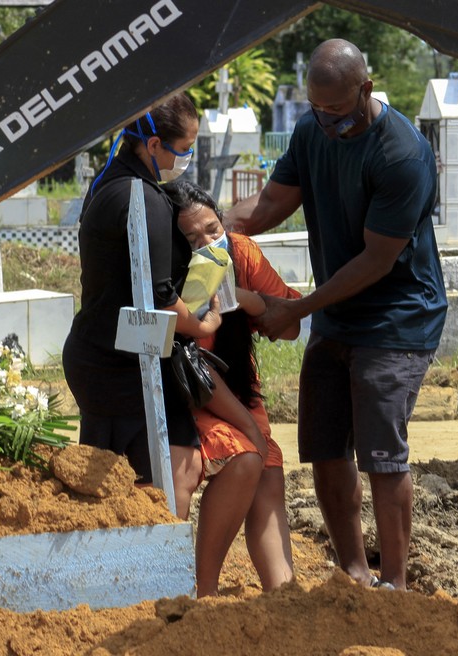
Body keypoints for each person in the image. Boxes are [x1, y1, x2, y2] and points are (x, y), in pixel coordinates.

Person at [226, 39, 448, 591]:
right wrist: (211, 228)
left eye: (338, 113)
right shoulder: (311, 130)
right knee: (323, 446)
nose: (327, 124)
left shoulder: (402, 153)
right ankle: (353, 571)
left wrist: (295, 308)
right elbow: (272, 203)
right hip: (336, 315)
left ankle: (394, 583)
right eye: (317, 111)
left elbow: (376, 261)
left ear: (365, 91)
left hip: (396, 316)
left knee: (380, 454)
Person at [62, 93, 265, 520]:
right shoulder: (144, 200)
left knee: (146, 476)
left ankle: (132, 572)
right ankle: (153, 574)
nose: (188, 158)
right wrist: (203, 321)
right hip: (122, 364)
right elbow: (162, 299)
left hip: (104, 353)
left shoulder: (110, 184)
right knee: (174, 473)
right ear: (153, 145)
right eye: (184, 148)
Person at [167, 179, 300, 597]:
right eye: (191, 238)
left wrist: (244, 299)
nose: (207, 243)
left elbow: (292, 321)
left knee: (268, 474)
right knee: (247, 455)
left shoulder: (240, 252)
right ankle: (203, 591)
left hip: (239, 388)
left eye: (212, 230)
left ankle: (284, 596)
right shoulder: (168, 277)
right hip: (189, 394)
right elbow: (195, 373)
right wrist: (249, 427)